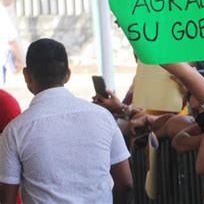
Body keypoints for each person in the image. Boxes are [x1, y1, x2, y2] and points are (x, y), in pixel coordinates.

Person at [0, 39, 132, 203]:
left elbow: (7, 199)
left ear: (26, 75)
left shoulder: (15, 130)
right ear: (68, 74)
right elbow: (125, 183)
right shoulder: (103, 117)